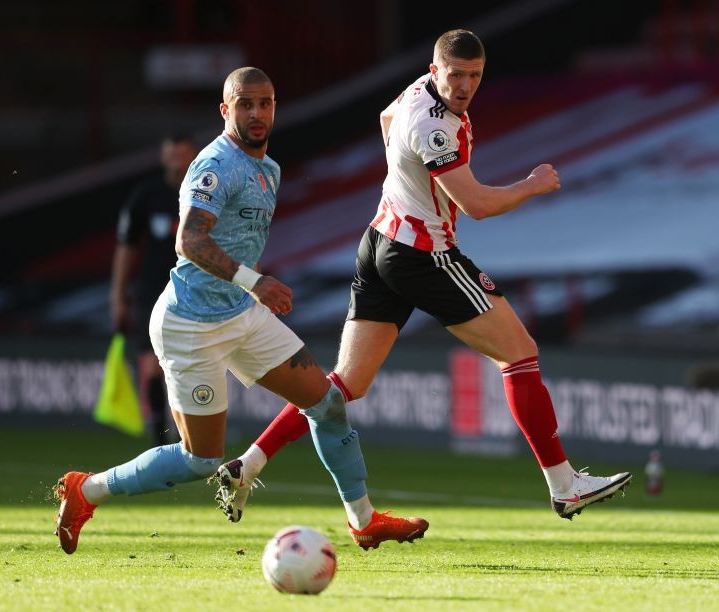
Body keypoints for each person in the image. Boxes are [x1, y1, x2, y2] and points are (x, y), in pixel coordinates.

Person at [211, 30, 632, 524]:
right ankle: (564, 485)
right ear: (437, 71)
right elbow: (474, 204)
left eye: (474, 75)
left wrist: (405, 183)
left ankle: (248, 463)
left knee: (344, 384)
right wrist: (532, 185)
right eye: (456, 75)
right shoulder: (437, 128)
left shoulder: (417, 92)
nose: (465, 85)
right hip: (422, 254)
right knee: (520, 353)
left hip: (380, 243)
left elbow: (386, 119)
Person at [53, 67, 428, 555]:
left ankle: (363, 521)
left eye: (265, 103)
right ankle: (86, 491)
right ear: (225, 110)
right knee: (200, 460)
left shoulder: (268, 168)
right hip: (190, 324)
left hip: (240, 314)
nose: (256, 113)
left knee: (327, 402)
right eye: (245, 104)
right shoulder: (215, 164)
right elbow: (189, 241)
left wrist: (251, 289)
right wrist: (258, 282)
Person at [110, 134, 199, 445]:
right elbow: (126, 247)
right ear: (163, 158)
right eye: (171, 156)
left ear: (193, 157)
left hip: (194, 292)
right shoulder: (146, 196)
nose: (177, 162)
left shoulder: (206, 194)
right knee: (152, 366)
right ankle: (160, 437)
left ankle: (192, 432)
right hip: (152, 292)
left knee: (189, 366)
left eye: (183, 155)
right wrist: (118, 296)